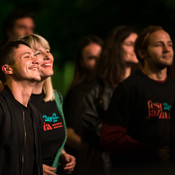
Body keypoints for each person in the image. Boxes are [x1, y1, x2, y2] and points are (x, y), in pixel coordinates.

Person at [100, 25, 175, 174]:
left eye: (170, 45)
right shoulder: (129, 88)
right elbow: (110, 137)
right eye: (159, 45)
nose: (167, 49)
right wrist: (152, 152)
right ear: (142, 53)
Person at [81, 25, 139, 175]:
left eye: (137, 44)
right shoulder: (96, 90)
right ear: (116, 48)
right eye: (130, 44)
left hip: (140, 162)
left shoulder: (143, 86)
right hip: (109, 164)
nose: (136, 48)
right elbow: (94, 129)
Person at [19, 33, 76, 175]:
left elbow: (51, 137)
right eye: (38, 53)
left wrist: (62, 154)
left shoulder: (56, 98)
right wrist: (32, 167)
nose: (47, 56)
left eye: (48, 51)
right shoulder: (17, 102)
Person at [0, 40, 43, 175]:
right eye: (27, 56)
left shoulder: (35, 114)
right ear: (8, 69)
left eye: (35, 56)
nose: (36, 60)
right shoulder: (1, 109)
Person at [63, 35, 103, 173]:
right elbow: (68, 132)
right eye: (91, 58)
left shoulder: (111, 87)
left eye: (100, 56)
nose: (98, 62)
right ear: (81, 62)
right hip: (85, 165)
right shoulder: (79, 91)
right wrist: (94, 152)